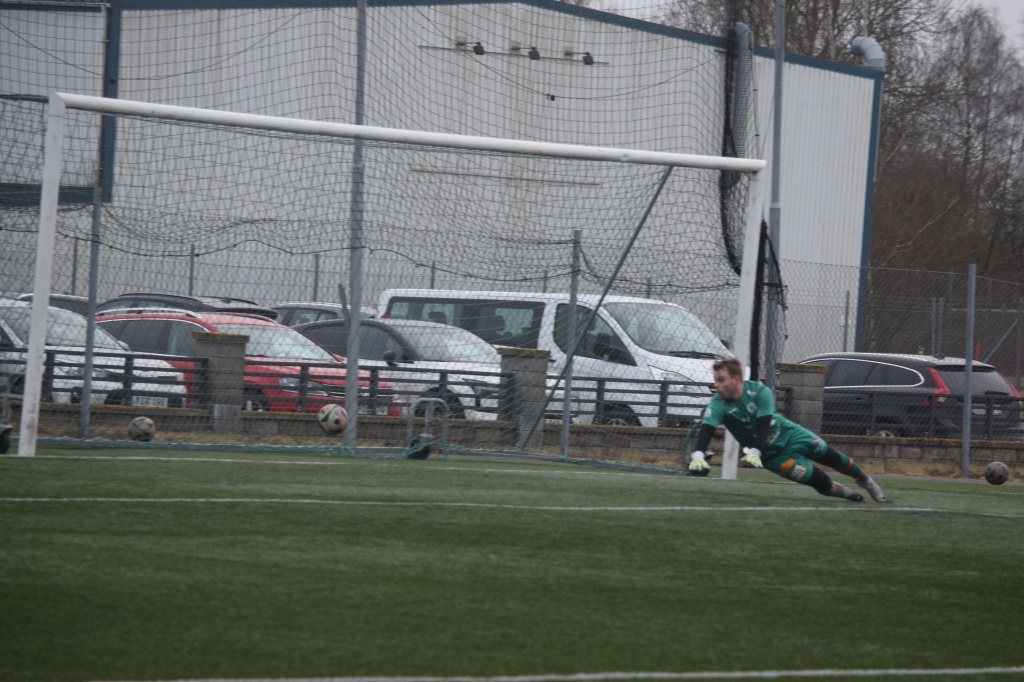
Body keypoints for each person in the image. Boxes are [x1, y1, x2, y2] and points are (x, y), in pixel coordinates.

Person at [688, 357, 890, 503]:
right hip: (775, 458)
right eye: (715, 380)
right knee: (819, 482)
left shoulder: (759, 391)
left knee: (831, 457)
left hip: (792, 435)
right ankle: (846, 493)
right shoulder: (718, 404)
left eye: (720, 380)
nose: (716, 385)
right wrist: (698, 454)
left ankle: (867, 482)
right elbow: (707, 430)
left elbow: (763, 424)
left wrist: (755, 450)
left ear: (736, 380)